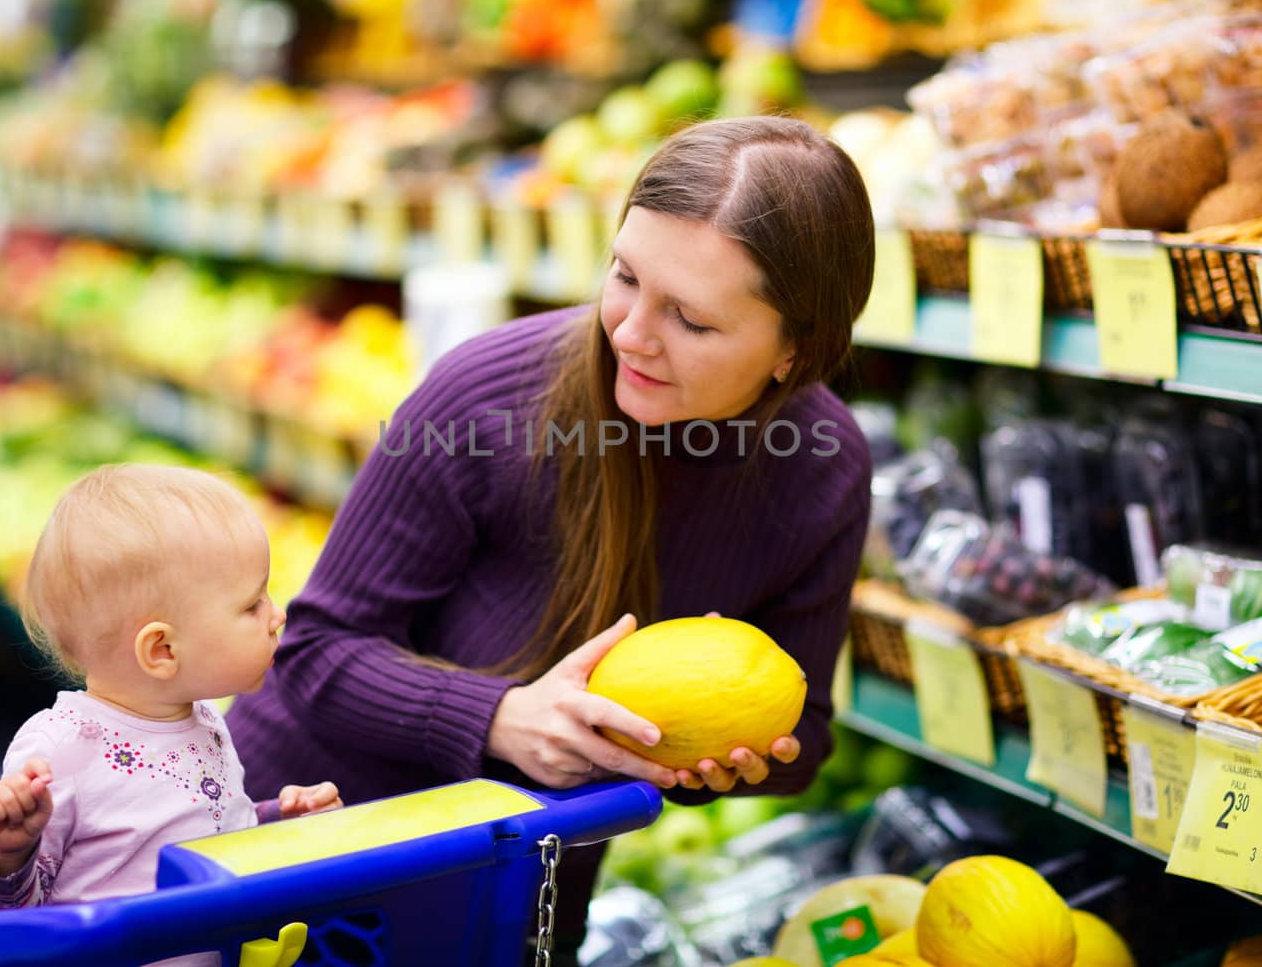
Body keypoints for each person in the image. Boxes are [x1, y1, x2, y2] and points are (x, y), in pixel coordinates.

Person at [227, 116, 877, 960]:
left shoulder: (823, 468)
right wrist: (500, 718)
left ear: (795, 348)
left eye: (691, 318)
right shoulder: (486, 397)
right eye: (624, 276)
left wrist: (725, 759)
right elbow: (315, 649)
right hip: (314, 860)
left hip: (517, 896)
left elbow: (807, 733)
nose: (631, 333)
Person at [0, 465, 341, 962]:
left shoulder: (202, 718)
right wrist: (9, 851)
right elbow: (5, 911)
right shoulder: (61, 751)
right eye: (252, 605)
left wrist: (276, 820)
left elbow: (209, 827)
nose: (277, 615)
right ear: (161, 649)